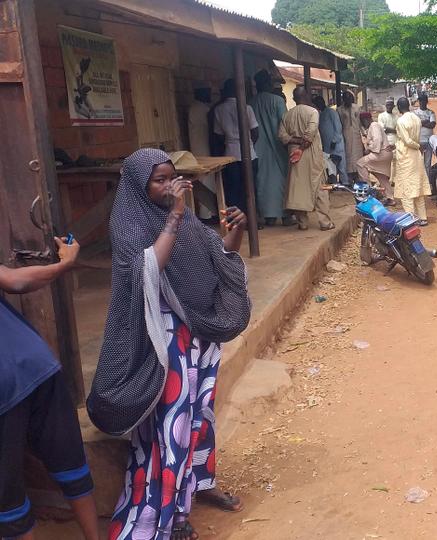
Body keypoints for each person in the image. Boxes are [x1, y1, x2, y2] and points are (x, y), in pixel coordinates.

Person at [88, 148, 251, 540]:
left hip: (196, 335)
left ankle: (200, 484)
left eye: (170, 177)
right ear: (139, 185)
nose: (167, 186)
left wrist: (237, 228)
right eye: (158, 180)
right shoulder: (128, 224)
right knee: (171, 427)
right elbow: (148, 268)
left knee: (199, 416)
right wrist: (176, 214)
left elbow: (218, 256)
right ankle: (171, 511)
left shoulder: (185, 218)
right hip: (160, 342)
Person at [0, 240, 99, 540]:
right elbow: (15, 281)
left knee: (7, 499)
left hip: (4, 391)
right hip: (37, 364)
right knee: (70, 462)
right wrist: (63, 265)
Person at [280, 86, 336, 231]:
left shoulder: (287, 115)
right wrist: (302, 147)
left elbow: (282, 136)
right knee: (320, 187)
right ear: (307, 96)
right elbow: (310, 133)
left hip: (294, 155)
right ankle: (324, 222)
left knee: (298, 188)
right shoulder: (313, 112)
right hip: (310, 153)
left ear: (294, 99)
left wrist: (296, 144)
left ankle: (302, 223)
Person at [212, 78, 259, 218]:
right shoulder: (247, 107)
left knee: (233, 190)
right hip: (249, 153)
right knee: (250, 189)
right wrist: (249, 144)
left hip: (230, 154)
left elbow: (218, 135)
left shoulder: (218, 110)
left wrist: (230, 140)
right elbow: (255, 132)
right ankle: (252, 219)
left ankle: (235, 220)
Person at [250, 70, 290, 226]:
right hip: (278, 147)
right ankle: (285, 214)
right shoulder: (278, 101)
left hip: (258, 149)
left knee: (262, 182)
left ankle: (269, 216)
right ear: (267, 83)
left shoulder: (250, 102)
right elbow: (286, 123)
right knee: (281, 181)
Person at [394, 97, 432, 225]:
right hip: (416, 156)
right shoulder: (416, 118)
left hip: (406, 155)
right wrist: (418, 147)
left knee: (407, 189)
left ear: (398, 107)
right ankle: (423, 217)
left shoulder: (401, 121)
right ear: (409, 105)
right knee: (418, 187)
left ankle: (411, 219)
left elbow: (407, 141)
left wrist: (417, 145)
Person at [187, 85, 218, 221]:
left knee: (205, 180)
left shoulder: (193, 108)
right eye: (208, 93)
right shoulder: (203, 109)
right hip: (203, 149)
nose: (210, 96)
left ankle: (208, 213)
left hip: (198, 148)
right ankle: (207, 215)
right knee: (206, 181)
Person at [357, 111, 395, 204]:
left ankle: (369, 193)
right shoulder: (373, 126)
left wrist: (369, 149)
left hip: (380, 153)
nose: (362, 124)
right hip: (385, 154)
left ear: (366, 120)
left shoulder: (374, 125)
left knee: (360, 164)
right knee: (380, 175)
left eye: (362, 121)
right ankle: (390, 198)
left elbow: (377, 140)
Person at [315, 95, 347, 185]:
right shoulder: (320, 114)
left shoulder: (331, 112)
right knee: (330, 165)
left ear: (322, 102)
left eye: (319, 103)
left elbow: (338, 127)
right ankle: (334, 184)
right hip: (327, 145)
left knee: (341, 165)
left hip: (336, 144)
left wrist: (334, 141)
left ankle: (345, 183)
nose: (318, 105)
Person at [413, 93, 437, 193]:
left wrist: (421, 122)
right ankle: (418, 184)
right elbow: (415, 124)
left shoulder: (431, 112)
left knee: (427, 164)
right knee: (418, 163)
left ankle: (427, 184)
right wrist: (425, 122)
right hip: (418, 141)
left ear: (427, 101)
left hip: (429, 141)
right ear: (419, 101)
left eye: (424, 100)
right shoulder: (414, 113)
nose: (422, 102)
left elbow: (432, 125)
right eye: (421, 100)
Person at [338, 91, 364, 183]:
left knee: (357, 155)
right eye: (346, 98)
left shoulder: (357, 108)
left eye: (349, 98)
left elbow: (361, 123)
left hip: (356, 134)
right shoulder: (340, 110)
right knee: (348, 155)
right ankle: (349, 177)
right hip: (346, 135)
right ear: (343, 99)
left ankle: (358, 176)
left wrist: (364, 133)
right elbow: (340, 124)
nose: (348, 100)